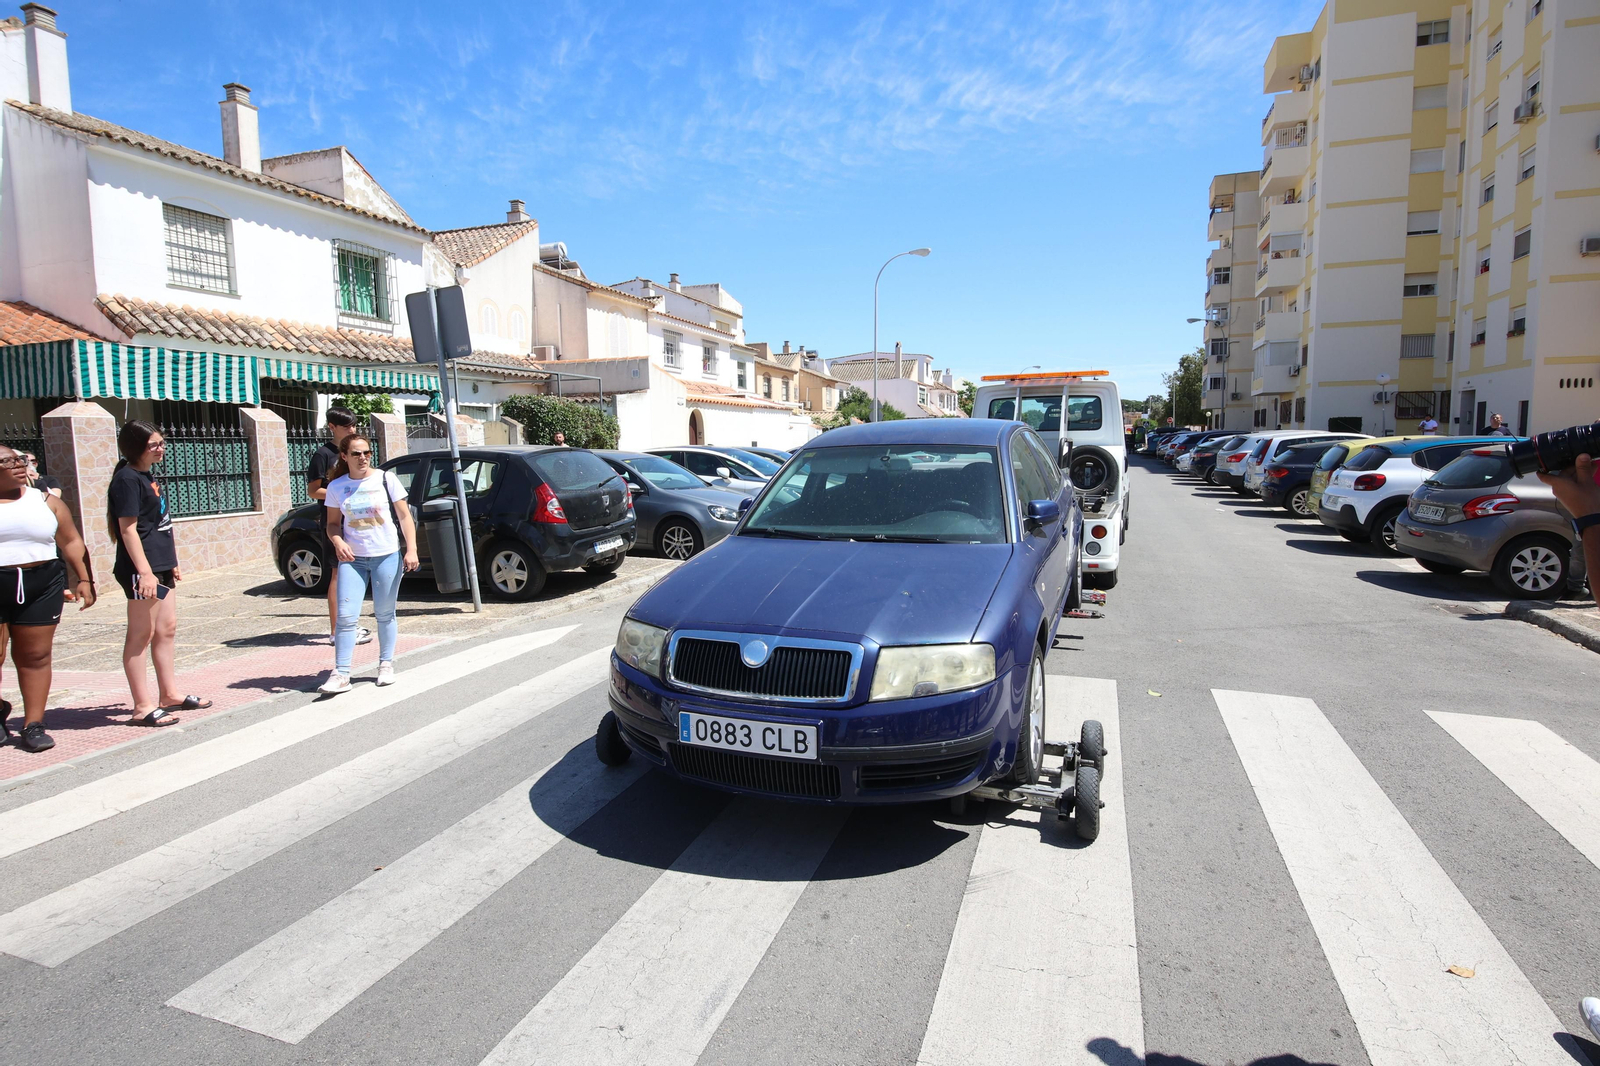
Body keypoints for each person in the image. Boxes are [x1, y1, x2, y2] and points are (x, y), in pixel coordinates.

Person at [109, 421, 211, 726]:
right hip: (142, 569)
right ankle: (142, 705)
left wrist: (170, 561)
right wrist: (145, 572)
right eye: (154, 444)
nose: (161, 448)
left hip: (160, 563)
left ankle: (169, 694)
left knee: (166, 629)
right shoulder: (127, 480)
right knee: (142, 634)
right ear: (136, 446)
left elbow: (158, 523)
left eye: (162, 443)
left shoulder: (146, 475)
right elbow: (127, 530)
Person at [0, 444, 95, 751]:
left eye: (20, 460)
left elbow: (71, 541)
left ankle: (34, 725)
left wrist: (84, 579)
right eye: (8, 461)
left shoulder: (46, 501)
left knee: (35, 656)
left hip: (41, 582)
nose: (18, 465)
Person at [318, 434, 418, 694]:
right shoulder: (337, 487)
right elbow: (331, 523)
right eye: (356, 454)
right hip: (353, 560)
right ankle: (341, 673)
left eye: (367, 453)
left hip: (386, 554)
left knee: (385, 614)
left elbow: (405, 516)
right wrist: (338, 542)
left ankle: (385, 665)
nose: (362, 458)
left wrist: (412, 550)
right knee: (346, 617)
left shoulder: (386, 479)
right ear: (344, 456)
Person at [306, 407, 371, 648]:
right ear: (332, 427)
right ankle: (336, 630)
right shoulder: (323, 455)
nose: (351, 430)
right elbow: (313, 490)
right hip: (335, 521)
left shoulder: (355, 452)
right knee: (337, 573)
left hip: (356, 520)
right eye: (346, 426)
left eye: (354, 425)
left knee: (354, 572)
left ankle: (350, 624)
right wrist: (341, 494)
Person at [1538, 452, 1599, 608]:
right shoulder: (1590, 458)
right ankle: (1575, 588)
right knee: (1579, 552)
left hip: (1589, 511)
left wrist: (1590, 518)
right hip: (1586, 507)